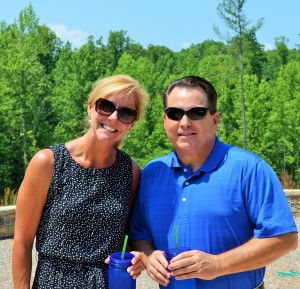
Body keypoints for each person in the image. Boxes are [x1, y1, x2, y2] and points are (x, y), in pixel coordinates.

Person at [129, 76, 298, 289]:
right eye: (174, 113)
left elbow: (285, 238)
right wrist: (149, 256)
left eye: (196, 112)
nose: (184, 122)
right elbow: (139, 234)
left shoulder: (249, 169)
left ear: (215, 119)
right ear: (165, 121)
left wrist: (218, 264)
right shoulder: (153, 172)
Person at [12, 74, 149, 289]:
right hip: (54, 283)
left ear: (131, 125)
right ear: (90, 108)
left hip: (109, 283)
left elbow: (126, 236)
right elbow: (22, 242)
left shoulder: (130, 170)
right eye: (106, 106)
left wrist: (136, 255)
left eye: (126, 113)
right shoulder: (47, 163)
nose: (114, 117)